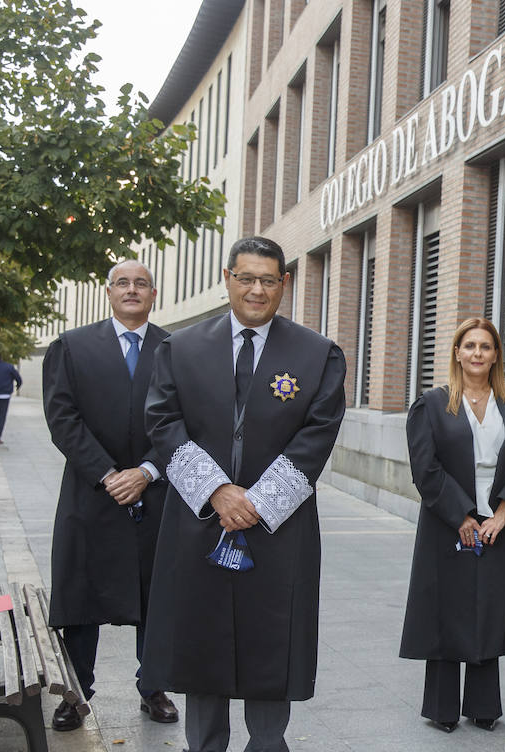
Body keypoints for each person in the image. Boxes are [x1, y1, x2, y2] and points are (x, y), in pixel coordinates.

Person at [142, 237, 346, 752]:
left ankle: (268, 744)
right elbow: (163, 422)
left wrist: (257, 502)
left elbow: (319, 431)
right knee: (202, 641)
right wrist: (216, 492)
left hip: (278, 527)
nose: (257, 290)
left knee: (269, 643)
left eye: (269, 280)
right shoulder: (181, 348)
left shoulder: (317, 354)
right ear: (228, 277)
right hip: (199, 522)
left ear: (285, 285)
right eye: (247, 278)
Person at [41, 260, 178, 731]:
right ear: (109, 291)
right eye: (123, 282)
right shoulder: (72, 347)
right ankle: (75, 694)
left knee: (155, 598)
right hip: (90, 494)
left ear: (154, 294)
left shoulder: (176, 350)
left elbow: (189, 421)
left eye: (141, 283)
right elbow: (63, 420)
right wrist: (107, 474)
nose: (132, 289)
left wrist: (146, 471)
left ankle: (154, 686)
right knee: (80, 598)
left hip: (155, 494)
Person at [400, 318, 505, 733]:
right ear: (457, 352)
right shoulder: (432, 404)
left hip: (498, 522)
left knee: (490, 609)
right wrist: (460, 514)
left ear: (496, 354)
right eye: (470, 345)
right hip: (446, 520)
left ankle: (483, 706)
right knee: (447, 609)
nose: (477, 353)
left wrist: (503, 512)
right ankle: (442, 708)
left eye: (485, 346)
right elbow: (425, 468)